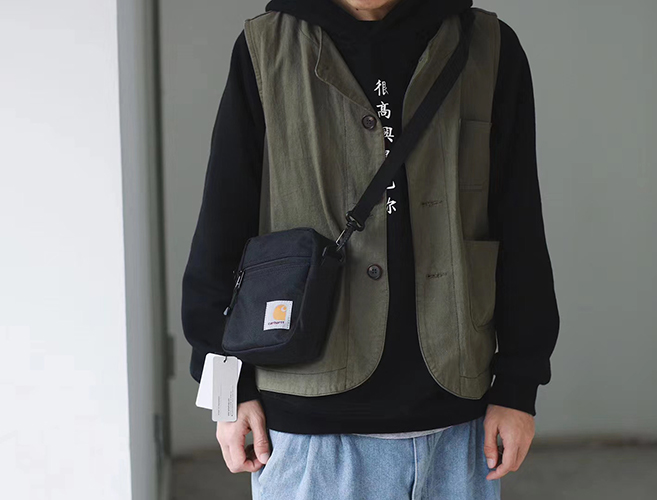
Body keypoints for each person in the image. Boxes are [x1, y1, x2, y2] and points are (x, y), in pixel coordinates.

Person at [181, 0, 560, 498]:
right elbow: (223, 221)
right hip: (306, 428)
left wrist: (519, 386)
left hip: (455, 421)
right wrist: (227, 395)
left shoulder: (488, 47)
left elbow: (518, 219)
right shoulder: (266, 48)